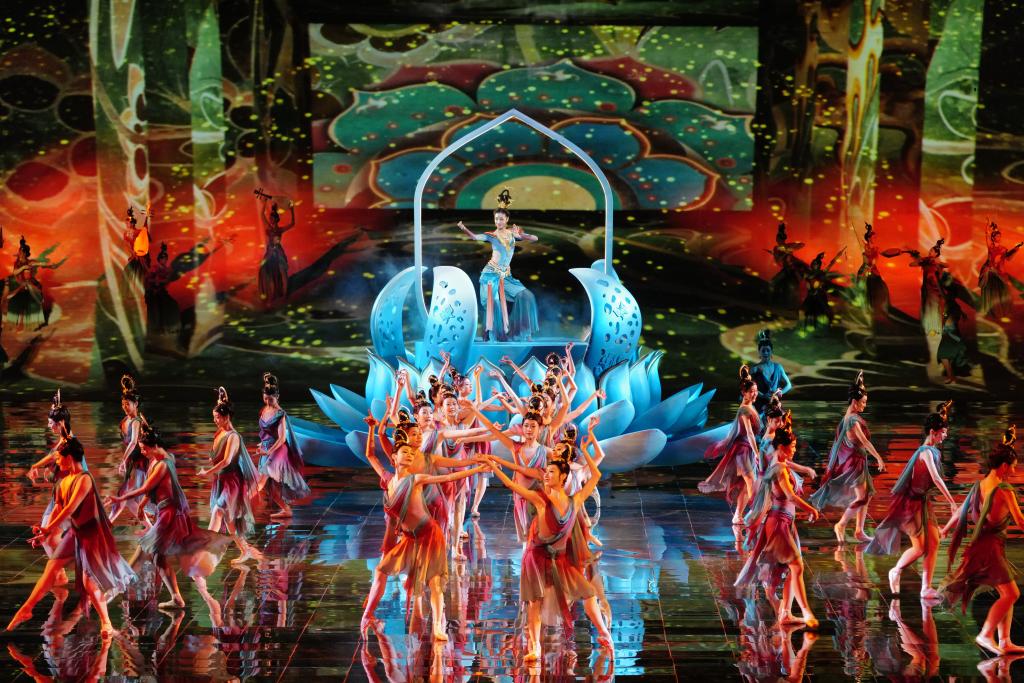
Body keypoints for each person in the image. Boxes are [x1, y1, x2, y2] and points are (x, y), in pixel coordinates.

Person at [485, 447, 612, 662]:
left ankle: (604, 633)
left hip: (560, 559)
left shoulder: (575, 500)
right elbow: (511, 484)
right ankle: (535, 647)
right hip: (536, 557)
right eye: (546, 471)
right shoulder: (540, 500)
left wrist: (586, 449)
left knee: (589, 593)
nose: (546, 474)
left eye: (551, 472)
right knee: (534, 602)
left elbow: (596, 474)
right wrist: (493, 466)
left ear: (563, 477)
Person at [7, 436, 134, 638]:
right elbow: (58, 509)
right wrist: (44, 531)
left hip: (92, 534)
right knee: (52, 567)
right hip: (76, 532)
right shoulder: (62, 482)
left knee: (88, 582)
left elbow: (69, 509)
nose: (57, 462)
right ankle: (26, 609)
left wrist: (48, 530)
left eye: (59, 458)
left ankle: (106, 622)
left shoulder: (85, 479)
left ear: (69, 457)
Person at [359, 441, 488, 641]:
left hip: (429, 534)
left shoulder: (415, 479)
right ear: (394, 457)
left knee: (434, 582)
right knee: (381, 571)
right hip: (410, 539)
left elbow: (447, 477)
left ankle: (438, 627)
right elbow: (371, 456)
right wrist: (374, 430)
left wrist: (476, 469)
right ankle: (367, 616)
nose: (410, 455)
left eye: (412, 453)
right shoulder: (389, 482)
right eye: (405, 452)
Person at [108, 424, 230, 614]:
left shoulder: (164, 464)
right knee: (158, 557)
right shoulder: (157, 460)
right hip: (165, 512)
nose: (142, 452)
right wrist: (142, 504)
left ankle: (111, 593)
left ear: (154, 446)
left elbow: (145, 488)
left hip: (169, 515)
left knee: (143, 551)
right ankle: (176, 598)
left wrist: (121, 498)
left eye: (144, 448)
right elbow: (152, 489)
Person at [940, 426, 1024, 655]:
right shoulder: (1004, 489)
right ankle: (986, 634)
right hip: (990, 549)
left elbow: (961, 511)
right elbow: (1021, 522)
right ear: (1004, 466)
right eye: (1013, 467)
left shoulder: (981, 484)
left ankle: (1004, 641)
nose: (1013, 471)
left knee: (1006, 593)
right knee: (1012, 594)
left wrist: (945, 529)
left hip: (983, 546)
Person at [736, 412, 820, 629]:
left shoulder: (780, 464)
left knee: (791, 568)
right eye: (792, 447)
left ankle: (785, 613)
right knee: (796, 566)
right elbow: (790, 496)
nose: (794, 450)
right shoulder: (779, 468)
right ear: (781, 447)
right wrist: (811, 509)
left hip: (785, 522)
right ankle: (805, 612)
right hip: (779, 523)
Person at [866, 401, 956, 599]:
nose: (945, 435)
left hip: (923, 502)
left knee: (934, 542)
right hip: (911, 504)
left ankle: (926, 588)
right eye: (943, 432)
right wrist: (951, 502)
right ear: (933, 432)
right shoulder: (925, 452)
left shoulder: (933, 451)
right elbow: (936, 478)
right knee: (920, 547)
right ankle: (896, 571)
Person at [809, 372, 886, 543]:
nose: (865, 405)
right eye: (863, 402)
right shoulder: (852, 421)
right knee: (862, 497)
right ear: (854, 402)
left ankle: (859, 530)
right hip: (854, 464)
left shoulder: (851, 417)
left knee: (867, 495)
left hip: (859, 462)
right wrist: (878, 457)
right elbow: (864, 441)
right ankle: (841, 524)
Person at [456, 187, 539, 341]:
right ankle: (494, 336)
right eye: (496, 219)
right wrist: (464, 228)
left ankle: (522, 332)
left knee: (526, 296)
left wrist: (521, 235)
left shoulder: (513, 234)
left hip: (506, 276)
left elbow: (535, 238)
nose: (498, 221)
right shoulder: (491, 235)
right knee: (493, 304)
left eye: (501, 219)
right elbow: (474, 237)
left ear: (506, 220)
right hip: (490, 275)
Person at [197, 387, 263, 564]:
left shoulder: (234, 437)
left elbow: (226, 461)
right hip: (221, 480)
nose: (215, 420)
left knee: (218, 511)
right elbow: (216, 455)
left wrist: (207, 472)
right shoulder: (220, 432)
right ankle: (245, 550)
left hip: (232, 481)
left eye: (217, 417)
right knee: (228, 520)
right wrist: (222, 401)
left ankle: (204, 551)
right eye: (214, 417)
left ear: (226, 417)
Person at [699, 364, 761, 524]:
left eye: (756, 391)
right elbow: (749, 433)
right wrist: (757, 453)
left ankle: (738, 515)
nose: (755, 394)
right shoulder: (745, 410)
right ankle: (756, 513)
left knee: (745, 484)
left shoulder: (750, 407)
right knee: (751, 482)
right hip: (743, 451)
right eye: (751, 391)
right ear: (744, 393)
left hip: (747, 450)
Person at [257, 372, 310, 519]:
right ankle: (286, 510)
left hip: (277, 450)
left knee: (260, 482)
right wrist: (262, 444)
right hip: (266, 449)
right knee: (270, 488)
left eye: (271, 399)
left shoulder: (280, 413)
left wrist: (268, 451)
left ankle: (238, 512)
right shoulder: (263, 410)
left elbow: (281, 438)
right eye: (265, 398)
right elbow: (266, 432)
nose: (268, 402)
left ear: (277, 397)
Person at [108, 375, 152, 527]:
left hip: (139, 464)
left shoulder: (136, 422)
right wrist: (123, 460)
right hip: (130, 463)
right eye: (123, 404)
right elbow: (126, 443)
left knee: (124, 495)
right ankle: (150, 528)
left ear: (136, 404)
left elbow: (133, 442)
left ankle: (108, 524)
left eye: (128, 404)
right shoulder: (124, 421)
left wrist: (123, 461)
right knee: (128, 499)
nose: (125, 407)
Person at [5, 235, 65, 330]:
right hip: (20, 284)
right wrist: (23, 268)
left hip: (30, 284)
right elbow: (15, 272)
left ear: (25, 254)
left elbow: (40, 263)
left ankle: (33, 324)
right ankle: (15, 322)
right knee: (15, 299)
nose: (20, 254)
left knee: (33, 300)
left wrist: (50, 265)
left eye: (22, 253)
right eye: (19, 252)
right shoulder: (17, 263)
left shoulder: (30, 262)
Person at [255, 187, 295, 304]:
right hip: (270, 252)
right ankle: (270, 294)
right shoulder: (268, 227)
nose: (271, 220)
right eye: (270, 218)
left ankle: (285, 295)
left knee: (282, 272)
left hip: (278, 252)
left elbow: (292, 223)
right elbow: (262, 215)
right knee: (265, 271)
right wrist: (264, 203)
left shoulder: (280, 229)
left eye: (272, 218)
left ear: (276, 219)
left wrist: (291, 210)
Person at [978, 222, 1022, 319]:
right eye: (997, 236)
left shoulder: (1003, 249)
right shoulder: (991, 246)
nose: (999, 238)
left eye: (999, 236)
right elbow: (987, 236)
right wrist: (987, 229)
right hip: (990, 271)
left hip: (999, 272)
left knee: (1002, 291)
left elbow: (1008, 258)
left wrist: (1015, 250)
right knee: (991, 292)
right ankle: (991, 311)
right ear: (993, 237)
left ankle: (1000, 311)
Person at [749, 329, 792, 419]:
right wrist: (763, 395)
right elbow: (750, 388)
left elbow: (789, 385)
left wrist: (779, 393)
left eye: (768, 350)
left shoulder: (778, 367)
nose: (766, 353)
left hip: (774, 405)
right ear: (759, 352)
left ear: (771, 351)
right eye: (763, 351)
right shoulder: (754, 369)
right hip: (759, 405)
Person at [123, 204, 151, 282]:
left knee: (143, 274)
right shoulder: (126, 234)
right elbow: (127, 245)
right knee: (127, 273)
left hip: (141, 256)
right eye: (126, 223)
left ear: (132, 223)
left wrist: (146, 218)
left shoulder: (138, 232)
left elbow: (145, 234)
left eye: (128, 223)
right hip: (134, 256)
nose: (126, 225)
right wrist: (133, 253)